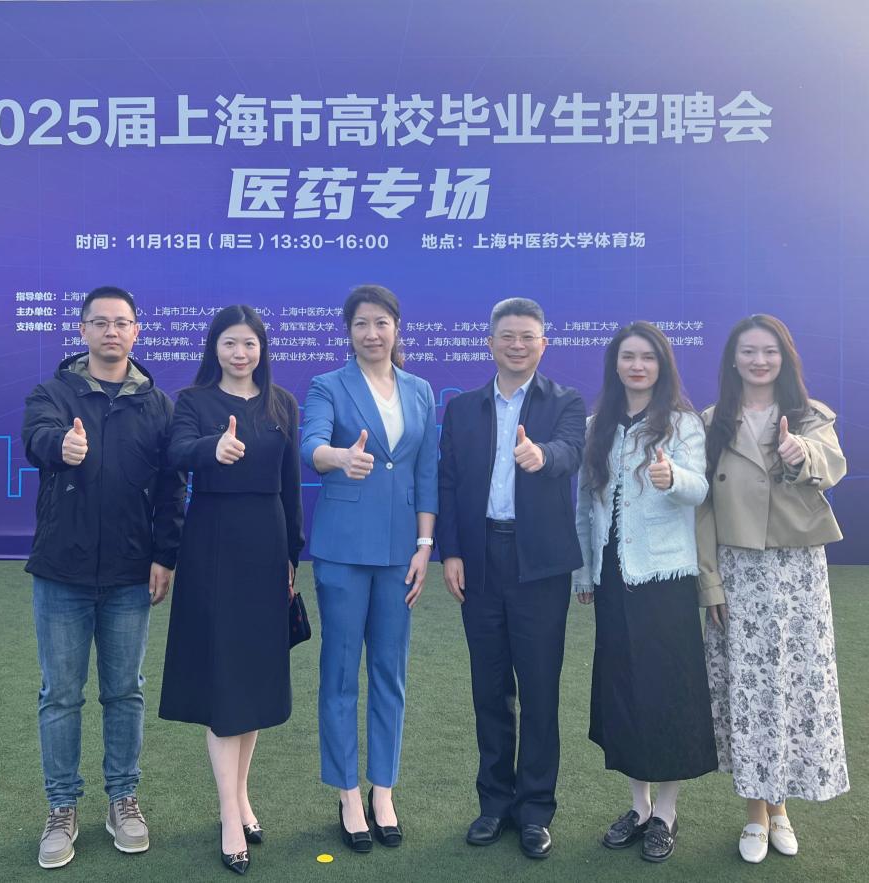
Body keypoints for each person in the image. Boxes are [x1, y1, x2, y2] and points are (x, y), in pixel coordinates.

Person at [21, 285, 186, 869]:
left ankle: (123, 799)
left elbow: (172, 488)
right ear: (83, 330)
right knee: (61, 695)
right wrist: (59, 445)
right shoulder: (53, 392)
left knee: (124, 691)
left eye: (121, 322)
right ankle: (61, 807)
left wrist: (165, 555)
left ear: (136, 331)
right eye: (100, 322)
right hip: (61, 570)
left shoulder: (159, 405)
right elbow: (34, 438)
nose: (111, 331)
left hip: (128, 572)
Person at [435, 297, 586, 860]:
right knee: (490, 688)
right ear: (490, 343)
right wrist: (451, 552)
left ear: (543, 344)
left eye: (527, 337)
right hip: (480, 560)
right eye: (507, 336)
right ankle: (494, 803)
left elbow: (570, 452)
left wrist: (541, 455)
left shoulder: (566, 402)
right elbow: (448, 480)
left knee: (540, 690)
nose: (517, 345)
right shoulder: (463, 409)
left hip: (539, 565)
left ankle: (535, 810)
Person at [698, 314, 849, 863]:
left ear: (784, 358)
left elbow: (832, 464)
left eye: (769, 351)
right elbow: (702, 509)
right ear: (733, 360)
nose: (759, 360)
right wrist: (710, 582)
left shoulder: (809, 416)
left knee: (793, 683)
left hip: (797, 570)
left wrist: (799, 453)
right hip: (737, 568)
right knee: (750, 690)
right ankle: (756, 814)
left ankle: (781, 806)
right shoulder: (710, 422)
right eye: (748, 351)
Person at [158, 305, 304, 875]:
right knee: (224, 681)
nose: (240, 353)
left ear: (261, 349)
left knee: (252, 681)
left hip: (267, 545)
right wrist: (211, 450)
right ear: (213, 348)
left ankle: (242, 798)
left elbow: (290, 486)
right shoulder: (194, 402)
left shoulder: (281, 404)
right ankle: (227, 816)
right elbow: (175, 454)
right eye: (229, 343)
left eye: (249, 344)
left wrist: (291, 556)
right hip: (213, 545)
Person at [572, 321, 717, 863]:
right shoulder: (597, 426)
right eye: (628, 356)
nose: (637, 366)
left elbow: (699, 488)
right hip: (612, 579)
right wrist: (584, 572)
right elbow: (586, 505)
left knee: (667, 690)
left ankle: (667, 814)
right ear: (615, 364)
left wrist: (672, 477)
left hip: (665, 578)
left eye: (648, 357)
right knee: (625, 689)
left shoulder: (681, 423)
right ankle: (638, 807)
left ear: (662, 365)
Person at [301, 284, 438, 853]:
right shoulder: (327, 385)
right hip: (342, 550)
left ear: (397, 327)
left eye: (381, 322)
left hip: (401, 552)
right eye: (361, 323)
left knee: (390, 672)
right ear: (349, 331)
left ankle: (384, 790)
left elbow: (426, 471)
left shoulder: (420, 390)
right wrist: (338, 457)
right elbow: (311, 444)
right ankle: (348, 794)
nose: (372, 333)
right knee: (339, 673)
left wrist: (425, 544)